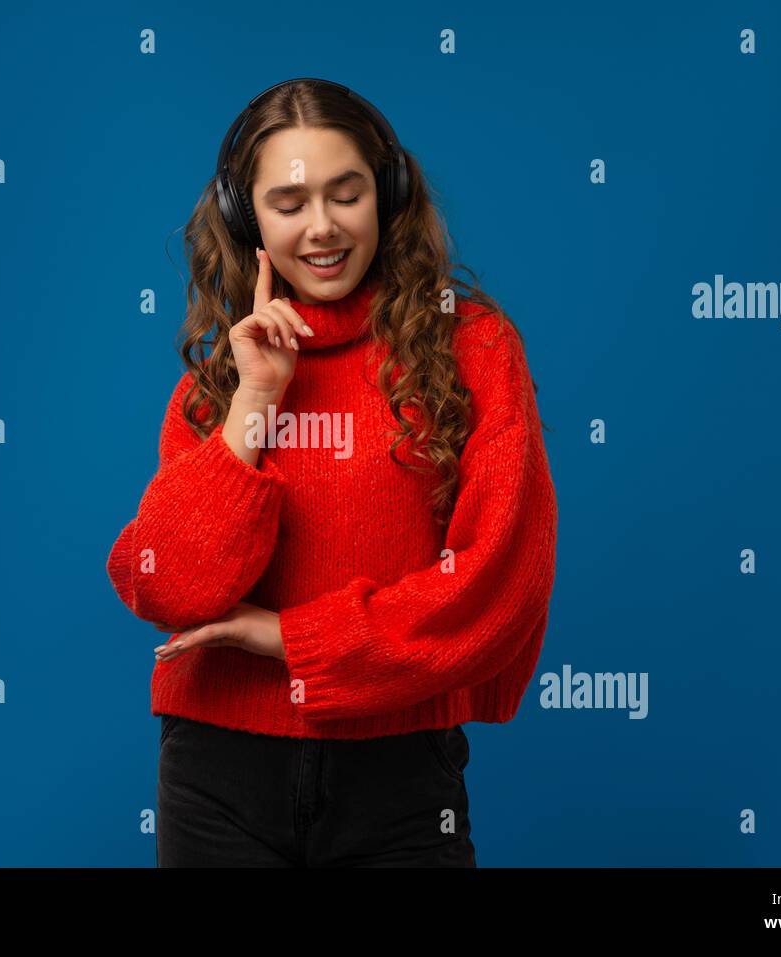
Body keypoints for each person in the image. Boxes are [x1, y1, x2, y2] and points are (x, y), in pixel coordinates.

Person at [106, 77, 558, 867]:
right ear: (247, 218)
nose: (322, 227)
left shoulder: (475, 349)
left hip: (399, 773)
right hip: (215, 770)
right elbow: (169, 586)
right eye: (288, 203)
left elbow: (499, 584)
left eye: (346, 195)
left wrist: (288, 637)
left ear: (386, 196)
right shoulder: (222, 379)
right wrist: (257, 397)